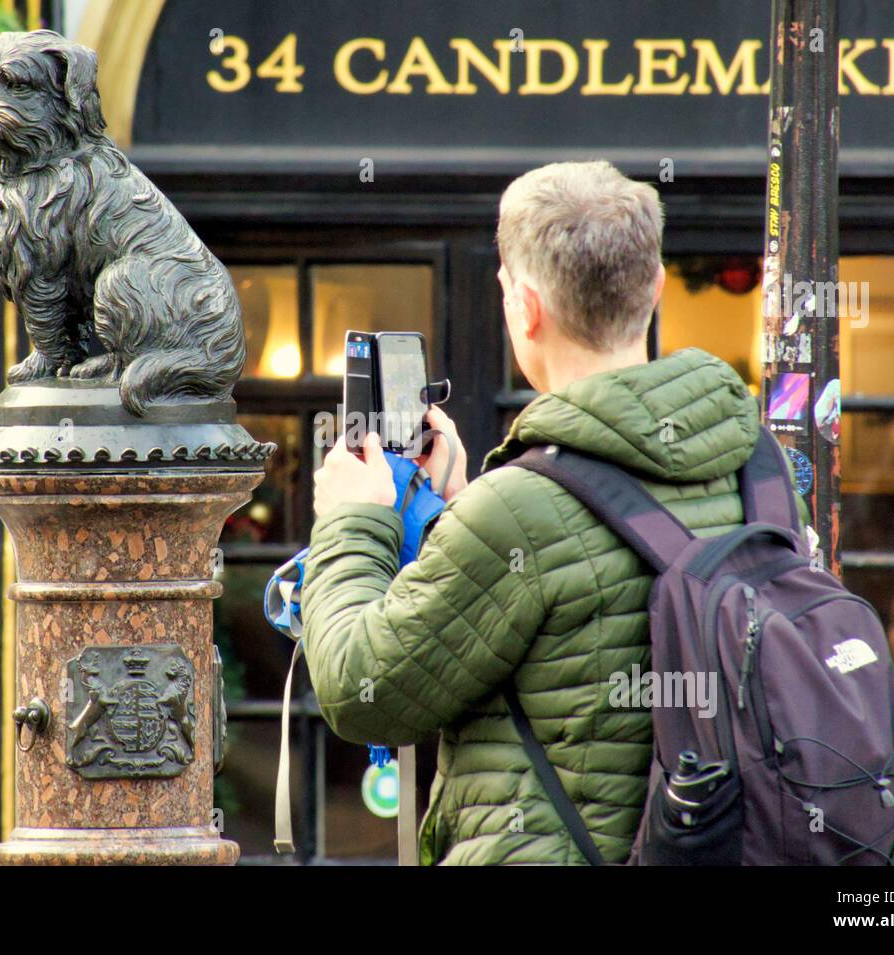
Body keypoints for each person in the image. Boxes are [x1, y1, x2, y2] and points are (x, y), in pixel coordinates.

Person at [300, 160, 806, 865]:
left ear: (526, 307)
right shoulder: (760, 463)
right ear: (656, 288)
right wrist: (459, 510)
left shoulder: (520, 507)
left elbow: (363, 689)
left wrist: (355, 519)